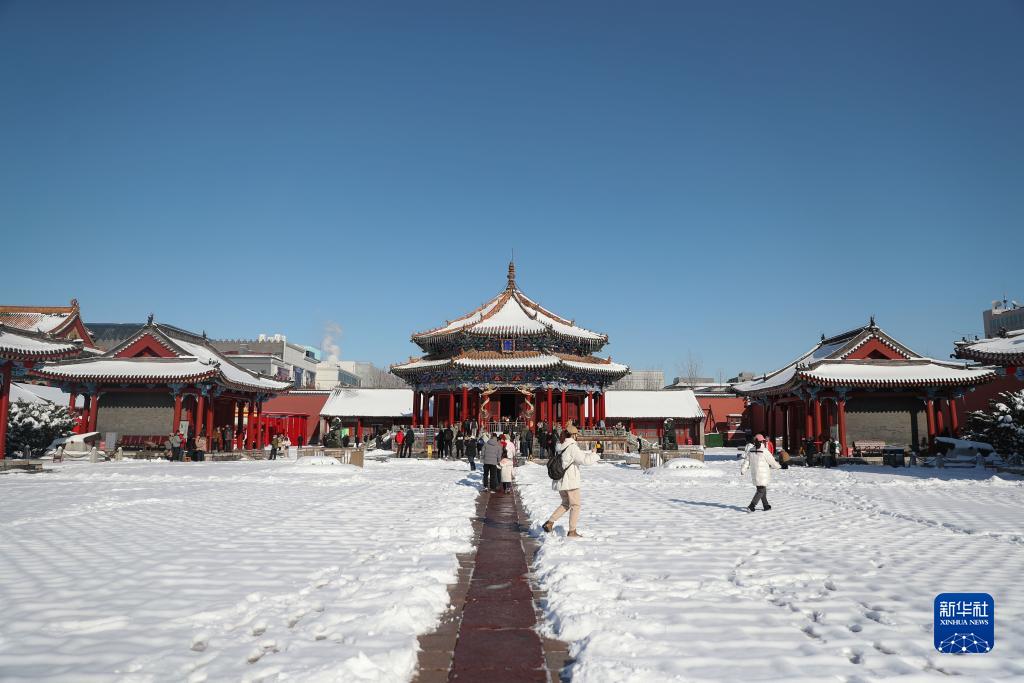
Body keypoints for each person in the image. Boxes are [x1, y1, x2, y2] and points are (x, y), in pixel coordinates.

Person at [542, 426, 599, 538]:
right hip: (570, 481)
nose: (577, 436)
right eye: (576, 434)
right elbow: (585, 460)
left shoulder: (560, 446)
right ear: (573, 435)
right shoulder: (572, 447)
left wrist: (589, 453)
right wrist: (594, 454)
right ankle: (572, 531)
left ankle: (550, 522)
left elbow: (575, 456)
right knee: (575, 505)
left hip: (560, 480)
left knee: (565, 504)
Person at [741, 434, 781, 512]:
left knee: (762, 490)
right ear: (762, 441)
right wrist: (778, 466)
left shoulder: (751, 450)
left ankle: (766, 505)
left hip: (755, 474)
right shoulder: (764, 451)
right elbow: (771, 461)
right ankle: (751, 506)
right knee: (761, 491)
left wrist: (743, 469)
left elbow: (746, 461)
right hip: (763, 475)